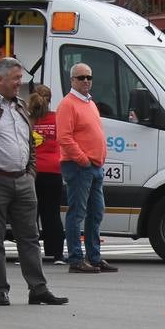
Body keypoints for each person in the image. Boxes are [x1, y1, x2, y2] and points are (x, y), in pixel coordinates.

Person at [0, 57, 68, 306]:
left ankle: (38, 288)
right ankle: (0, 289)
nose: (20, 84)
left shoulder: (20, 106)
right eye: (16, 79)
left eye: (20, 78)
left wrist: (30, 171)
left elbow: (28, 141)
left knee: (30, 236)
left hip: (22, 180)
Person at [57, 63, 115, 273]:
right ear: (72, 80)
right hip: (79, 166)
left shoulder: (89, 103)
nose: (86, 81)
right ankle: (75, 259)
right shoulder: (68, 104)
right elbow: (64, 137)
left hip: (94, 166)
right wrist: (82, 159)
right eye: (81, 77)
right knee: (78, 213)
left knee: (96, 212)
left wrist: (99, 157)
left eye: (89, 77)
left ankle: (94, 257)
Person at [28, 85, 65, 264]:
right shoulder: (57, 119)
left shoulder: (27, 119)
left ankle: (29, 253)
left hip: (31, 171)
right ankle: (56, 253)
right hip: (53, 171)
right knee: (52, 214)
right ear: (50, 100)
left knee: (30, 215)